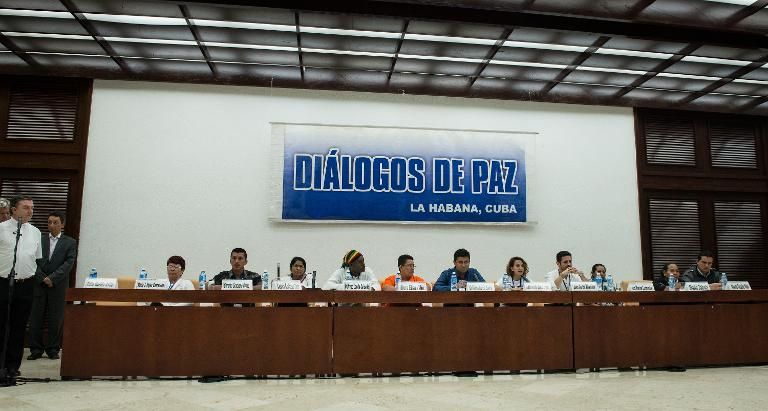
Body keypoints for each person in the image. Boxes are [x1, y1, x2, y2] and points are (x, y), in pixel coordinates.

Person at [0, 196, 42, 379]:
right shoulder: (1, 229)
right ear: (14, 210)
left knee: (19, 327)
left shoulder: (35, 232)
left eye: (32, 208)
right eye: (25, 207)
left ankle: (12, 366)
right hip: (3, 282)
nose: (30, 211)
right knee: (1, 325)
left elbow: (36, 258)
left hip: (26, 284)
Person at [27, 211, 77, 360]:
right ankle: (35, 349)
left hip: (58, 285)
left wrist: (53, 278)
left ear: (62, 224)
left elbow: (69, 263)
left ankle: (53, 349)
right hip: (39, 284)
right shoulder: (39, 240)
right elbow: (32, 260)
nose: (52, 225)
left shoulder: (70, 242)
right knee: (36, 318)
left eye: (55, 222)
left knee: (56, 319)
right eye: (49, 222)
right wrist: (42, 277)